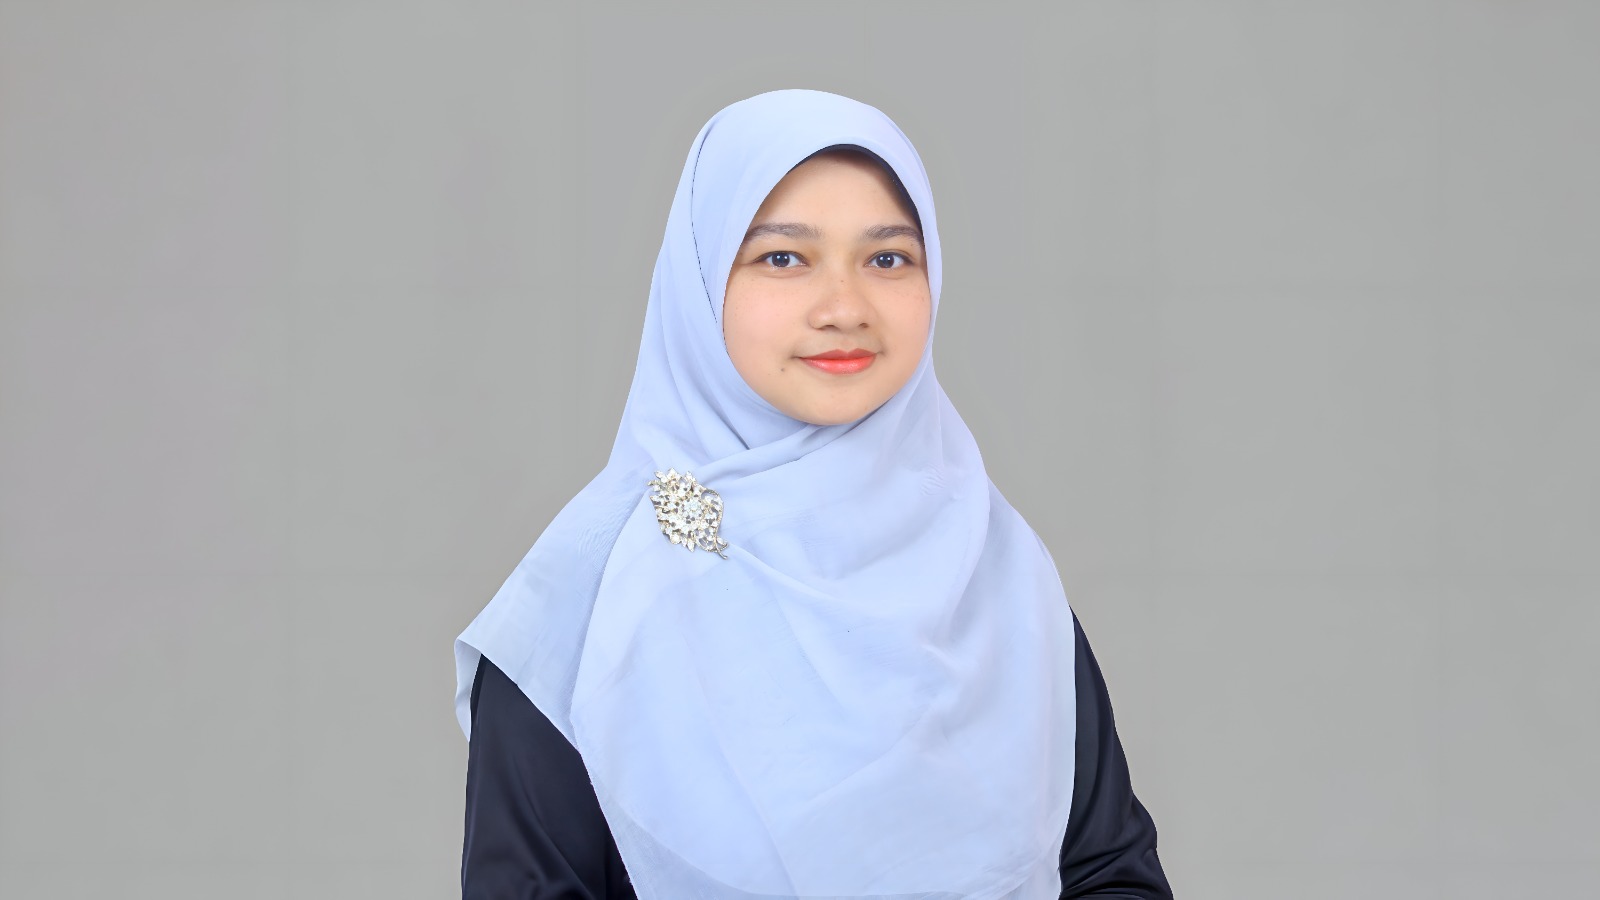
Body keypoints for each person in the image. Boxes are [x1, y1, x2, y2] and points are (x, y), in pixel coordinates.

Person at [453, 89, 1172, 899]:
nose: (844, 309)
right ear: (699, 281)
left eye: (888, 259)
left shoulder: (989, 564)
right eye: (783, 259)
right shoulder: (587, 602)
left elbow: (1109, 871)